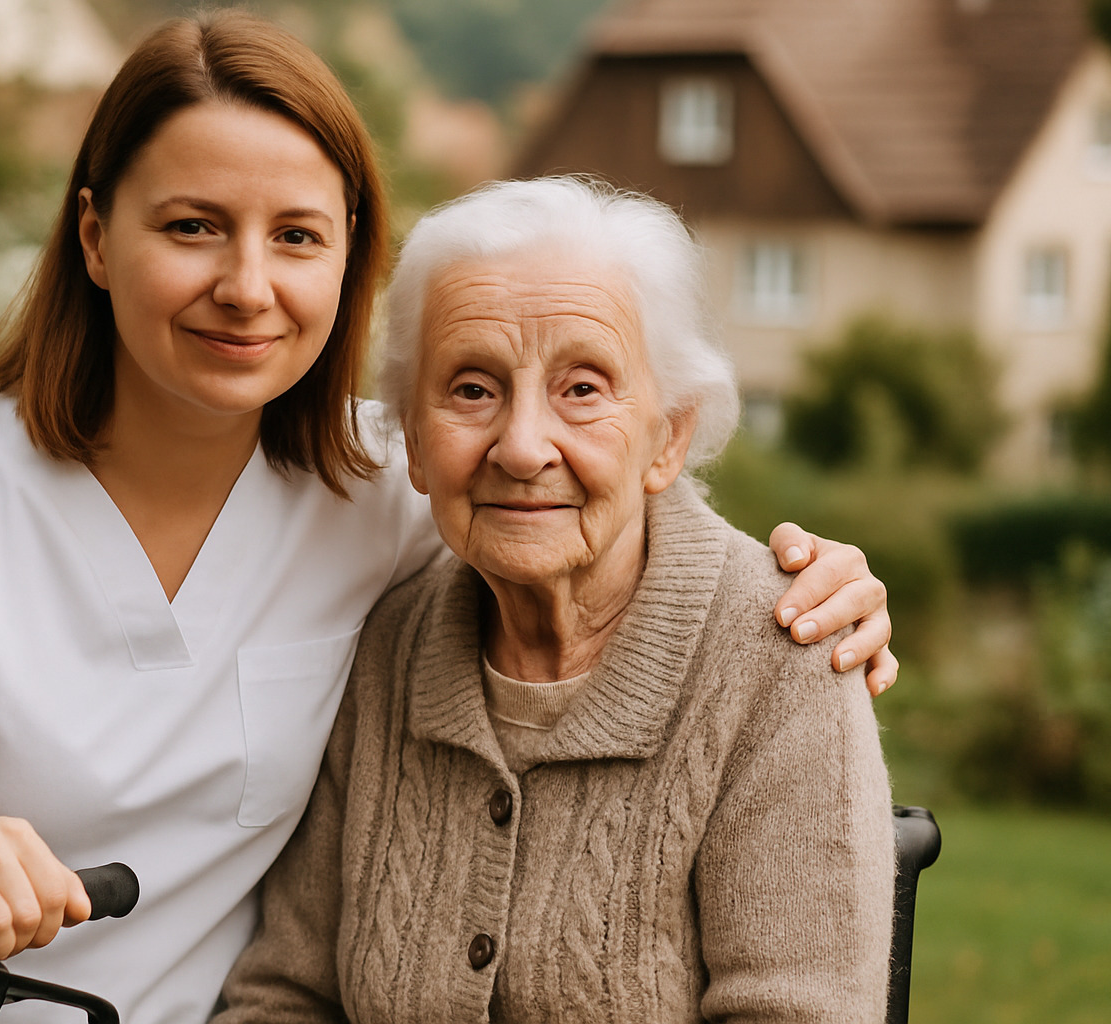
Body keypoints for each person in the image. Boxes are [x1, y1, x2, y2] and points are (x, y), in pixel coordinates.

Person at [0, 12, 895, 1024]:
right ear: (95, 236)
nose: (247, 286)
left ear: (349, 259)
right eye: (192, 227)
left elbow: (595, 487)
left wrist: (807, 586)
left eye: (297, 237)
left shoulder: (385, 485)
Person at [214, 177, 894, 1022]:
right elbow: (285, 995)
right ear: (413, 442)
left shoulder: (781, 657)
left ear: (668, 435)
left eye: (582, 389)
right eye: (472, 389)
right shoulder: (388, 643)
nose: (523, 446)